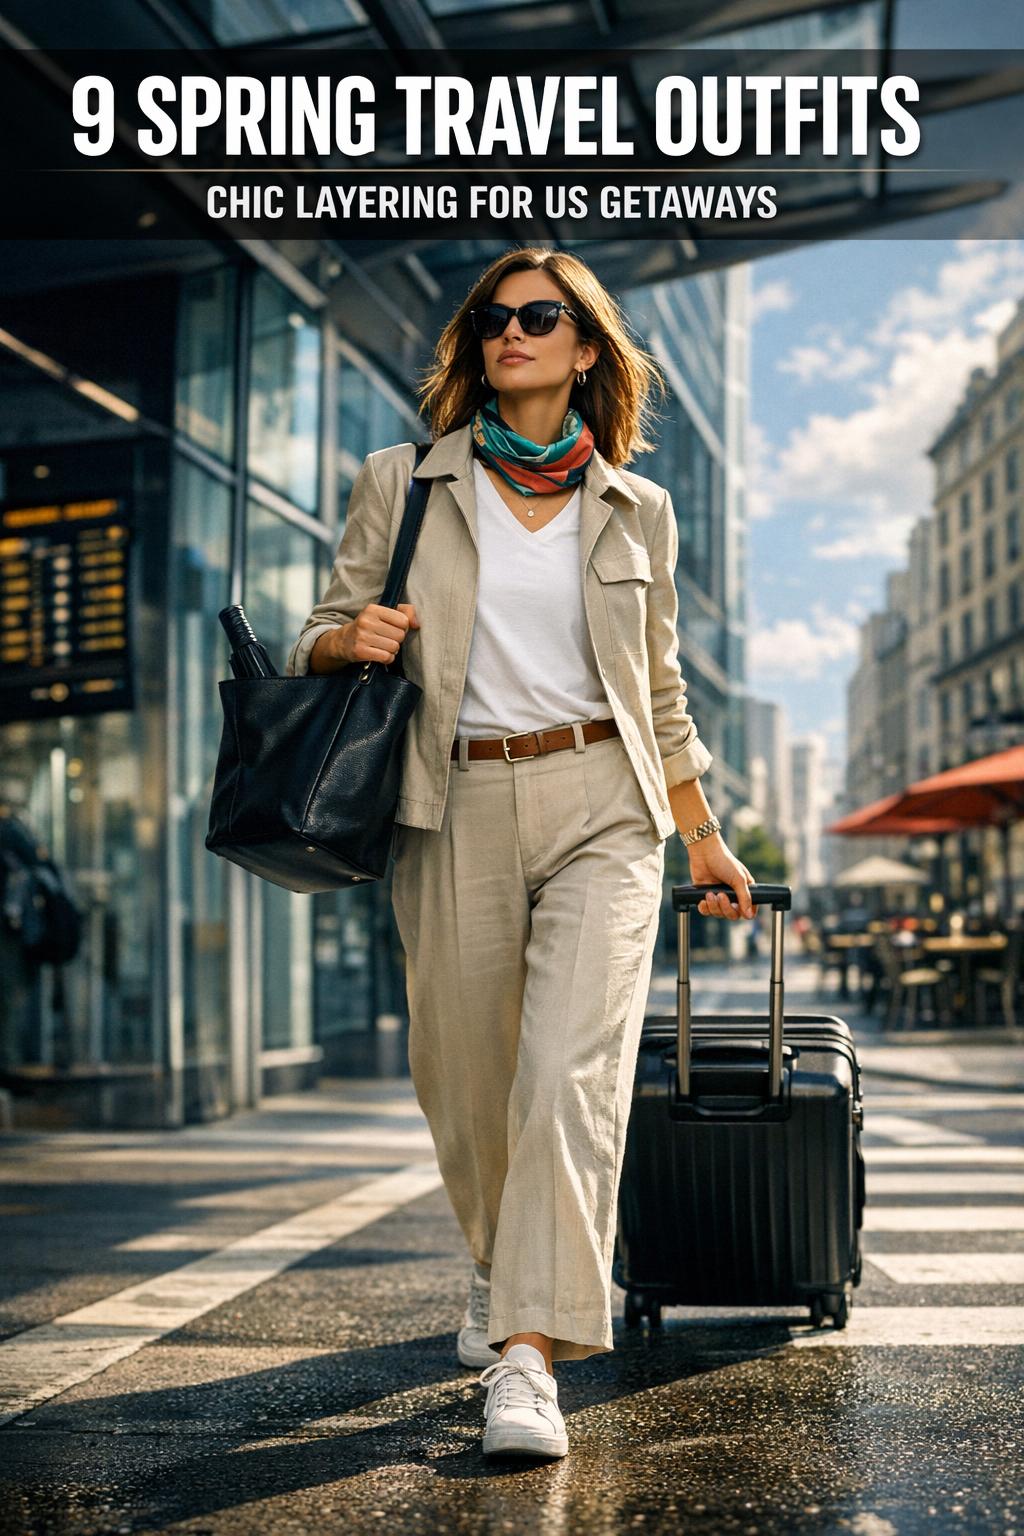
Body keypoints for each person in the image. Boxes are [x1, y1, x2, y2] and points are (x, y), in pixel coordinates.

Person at [287, 247, 757, 1461]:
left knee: (567, 1075)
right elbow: (314, 634)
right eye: (493, 319)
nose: (512, 334)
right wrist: (352, 642)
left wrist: (702, 838)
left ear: (585, 347)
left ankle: (527, 1356)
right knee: (468, 1081)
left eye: (539, 318)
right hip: (453, 802)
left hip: (607, 799)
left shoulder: (634, 506)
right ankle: (507, 1279)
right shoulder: (404, 479)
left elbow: (659, 693)